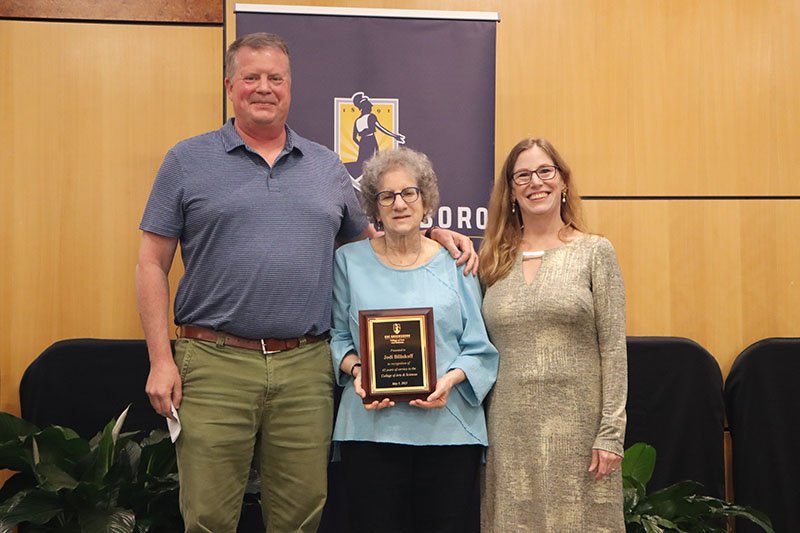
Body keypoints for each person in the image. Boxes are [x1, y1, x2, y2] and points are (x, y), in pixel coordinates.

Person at [135, 32, 476, 533]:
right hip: (212, 364)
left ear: (291, 88)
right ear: (230, 86)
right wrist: (160, 360)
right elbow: (150, 264)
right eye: (251, 77)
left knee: (300, 517)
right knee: (207, 517)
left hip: (306, 368)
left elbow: (373, 246)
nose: (264, 87)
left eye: (276, 78)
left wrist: (430, 231)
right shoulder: (187, 161)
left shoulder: (325, 166)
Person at [330, 147, 498, 533]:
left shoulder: (457, 261)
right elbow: (338, 337)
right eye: (386, 196)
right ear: (374, 208)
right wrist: (358, 371)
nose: (399, 203)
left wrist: (449, 381)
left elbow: (479, 347)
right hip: (369, 430)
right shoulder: (348, 262)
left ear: (426, 202)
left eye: (409, 193)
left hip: (449, 429)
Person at [478, 138, 627, 531]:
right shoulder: (491, 260)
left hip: (581, 434)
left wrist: (611, 434)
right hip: (509, 432)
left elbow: (613, 350)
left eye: (545, 171)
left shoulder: (596, 252)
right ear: (511, 191)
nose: (535, 182)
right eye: (522, 175)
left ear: (563, 181)